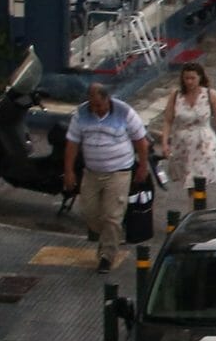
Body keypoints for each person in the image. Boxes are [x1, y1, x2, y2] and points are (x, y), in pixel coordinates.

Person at [62, 80, 152, 272]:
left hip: (118, 172)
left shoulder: (124, 112)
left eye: (99, 105)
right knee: (90, 213)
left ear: (107, 99)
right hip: (92, 172)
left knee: (112, 216)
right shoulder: (81, 114)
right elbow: (72, 143)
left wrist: (143, 166)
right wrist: (69, 171)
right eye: (92, 105)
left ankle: (107, 255)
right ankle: (109, 236)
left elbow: (140, 141)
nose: (96, 110)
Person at [160, 62, 216, 208]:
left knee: (199, 180)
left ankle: (197, 210)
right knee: (189, 181)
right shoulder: (176, 95)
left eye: (193, 78)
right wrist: (165, 143)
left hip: (203, 142)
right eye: (186, 78)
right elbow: (167, 120)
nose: (189, 82)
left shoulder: (210, 95)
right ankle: (196, 209)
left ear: (200, 78)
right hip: (182, 143)